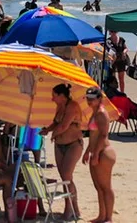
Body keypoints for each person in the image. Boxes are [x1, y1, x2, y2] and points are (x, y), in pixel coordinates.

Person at [40, 84, 83, 220]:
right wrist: (48, 129)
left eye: (54, 95)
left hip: (73, 144)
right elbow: (56, 122)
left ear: (61, 96)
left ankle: (68, 209)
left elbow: (64, 125)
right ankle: (75, 209)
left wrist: (53, 135)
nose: (52, 99)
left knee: (66, 176)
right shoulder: (60, 106)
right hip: (59, 146)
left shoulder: (73, 106)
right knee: (66, 178)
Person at [83, 87, 116, 223]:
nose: (89, 101)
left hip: (103, 152)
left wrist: (95, 154)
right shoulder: (95, 113)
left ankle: (108, 217)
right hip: (96, 151)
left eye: (92, 99)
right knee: (98, 186)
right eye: (88, 98)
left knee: (106, 186)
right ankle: (102, 215)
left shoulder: (101, 113)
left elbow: (103, 135)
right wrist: (87, 151)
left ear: (99, 99)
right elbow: (93, 136)